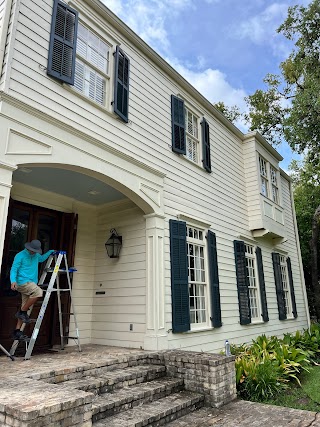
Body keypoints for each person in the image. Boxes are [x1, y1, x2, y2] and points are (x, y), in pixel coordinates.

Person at [10, 239, 55, 340]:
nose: (33, 252)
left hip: (31, 283)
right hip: (22, 282)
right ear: (28, 247)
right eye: (32, 250)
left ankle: (17, 331)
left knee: (24, 306)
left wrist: (50, 252)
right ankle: (21, 312)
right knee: (39, 292)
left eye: (35, 251)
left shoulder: (36, 255)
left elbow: (42, 259)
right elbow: (14, 269)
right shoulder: (20, 255)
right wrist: (13, 281)